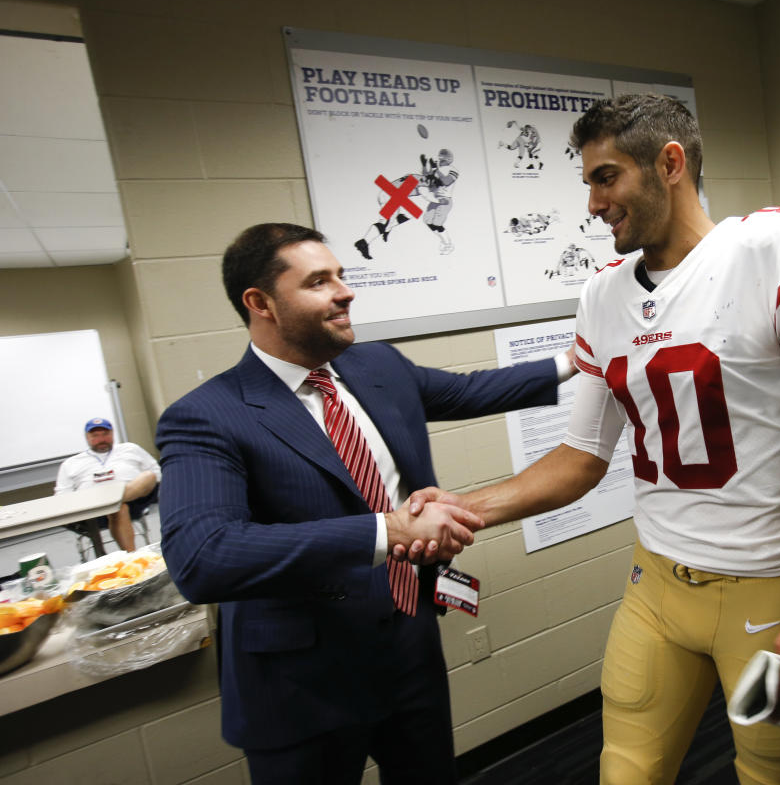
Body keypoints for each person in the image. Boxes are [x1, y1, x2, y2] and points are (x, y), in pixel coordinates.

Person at [406, 94, 780, 785]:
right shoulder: (603, 295)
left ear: (669, 164)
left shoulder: (773, 252)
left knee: (771, 773)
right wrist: (465, 508)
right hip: (655, 586)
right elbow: (581, 458)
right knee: (626, 770)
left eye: (607, 178)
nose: (594, 203)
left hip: (766, 595)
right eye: (589, 184)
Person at [155, 222, 570, 784]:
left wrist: (582, 360)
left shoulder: (378, 367)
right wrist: (388, 532)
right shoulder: (208, 415)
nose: (345, 291)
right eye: (319, 281)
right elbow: (203, 556)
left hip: (408, 647)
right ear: (261, 303)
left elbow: (472, 390)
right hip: (300, 685)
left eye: (342, 276)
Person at [55, 417, 159, 552]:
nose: (101, 439)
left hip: (135, 503)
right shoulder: (71, 463)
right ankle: (131, 556)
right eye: (95, 435)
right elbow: (62, 495)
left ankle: (113, 502)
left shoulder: (130, 449)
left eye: (105, 434)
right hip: (94, 513)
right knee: (118, 508)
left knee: (149, 476)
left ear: (112, 434)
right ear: (87, 437)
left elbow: (157, 473)